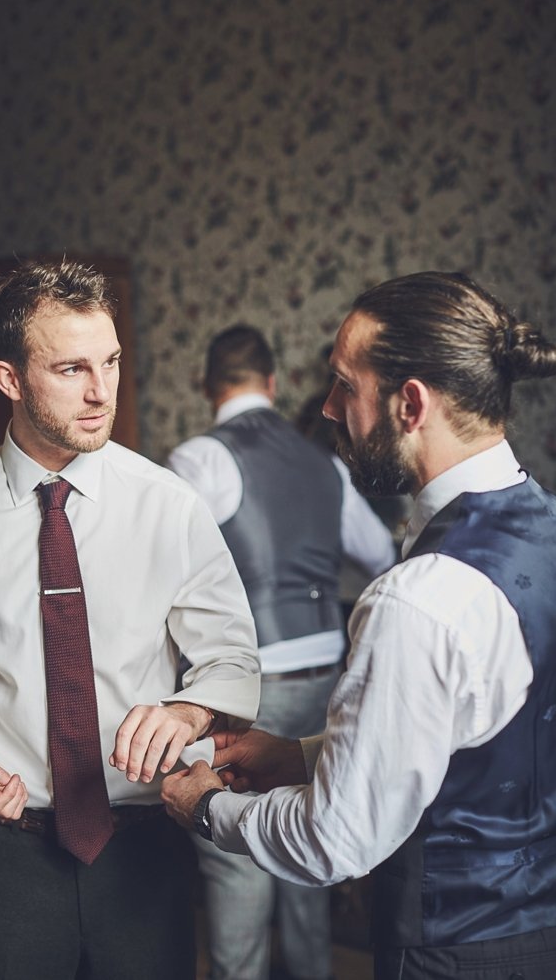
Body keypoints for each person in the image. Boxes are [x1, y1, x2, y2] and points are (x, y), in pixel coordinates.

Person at [162, 270, 556, 980]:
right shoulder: (552, 530)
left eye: (346, 384)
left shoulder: (414, 602)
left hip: (453, 951)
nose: (328, 406)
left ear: (410, 403)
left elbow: (333, 840)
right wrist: (304, 756)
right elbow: (478, 727)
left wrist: (207, 808)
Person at [0, 258, 260, 980]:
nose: (100, 392)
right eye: (71, 368)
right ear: (9, 379)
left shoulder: (168, 503)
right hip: (0, 855)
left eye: (111, 362)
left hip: (146, 845)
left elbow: (231, 659)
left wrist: (188, 710)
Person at [167, 325, 395, 980]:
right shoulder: (325, 463)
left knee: (236, 862)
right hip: (327, 678)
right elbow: (382, 557)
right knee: (307, 855)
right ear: (272, 384)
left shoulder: (195, 461)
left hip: (248, 687)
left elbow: (155, 576)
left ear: (208, 385)